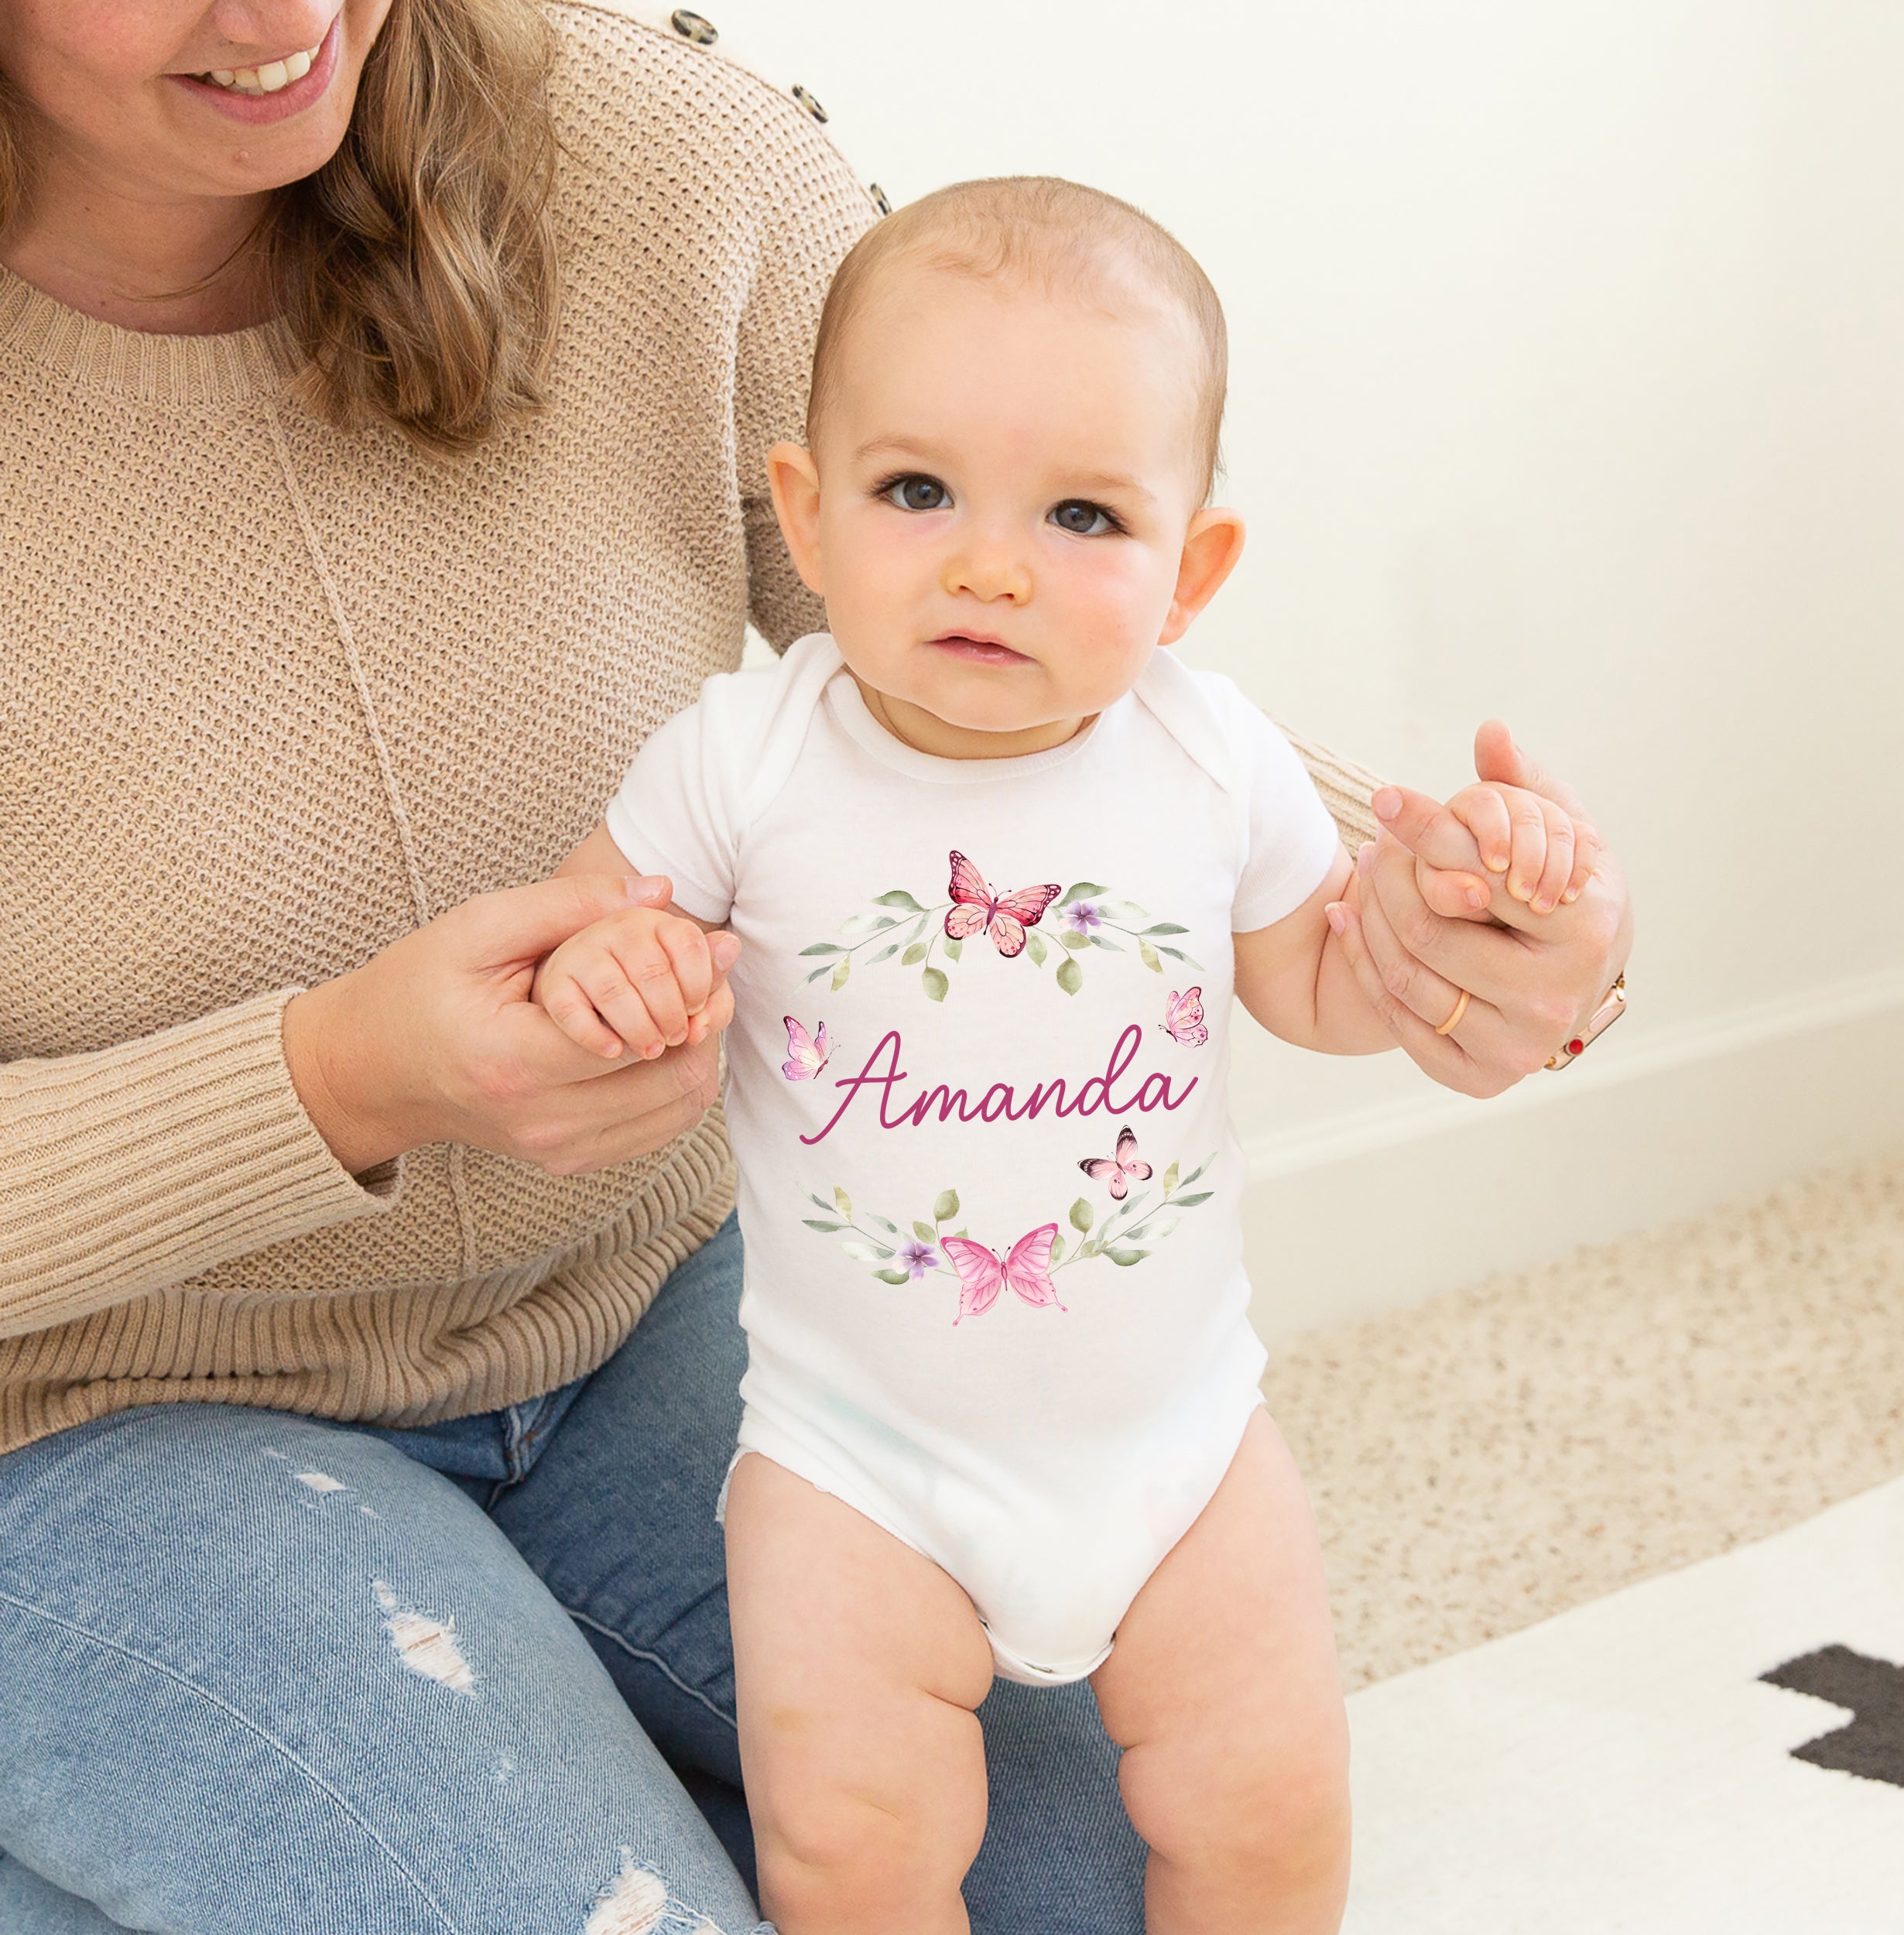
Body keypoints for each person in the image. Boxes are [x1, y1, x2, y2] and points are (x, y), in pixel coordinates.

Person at [0, 5, 1631, 1931]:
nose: (282, 18)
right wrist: (334, 1077)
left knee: (1122, 1871)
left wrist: (1479, 935)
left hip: (651, 1316)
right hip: (95, 1411)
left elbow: (1049, 643)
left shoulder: (662, 163)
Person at [533, 176, 1594, 1935]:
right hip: (850, 1463)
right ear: (803, 510)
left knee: (1264, 1808)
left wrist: (1449, 892)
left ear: (1192, 572)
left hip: (1178, 1446)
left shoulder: (1205, 754)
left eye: (1083, 512)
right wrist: (618, 960)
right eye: (915, 488)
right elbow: (582, 924)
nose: (989, 560)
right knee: (854, 1844)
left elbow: (1317, 984)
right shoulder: (746, 758)